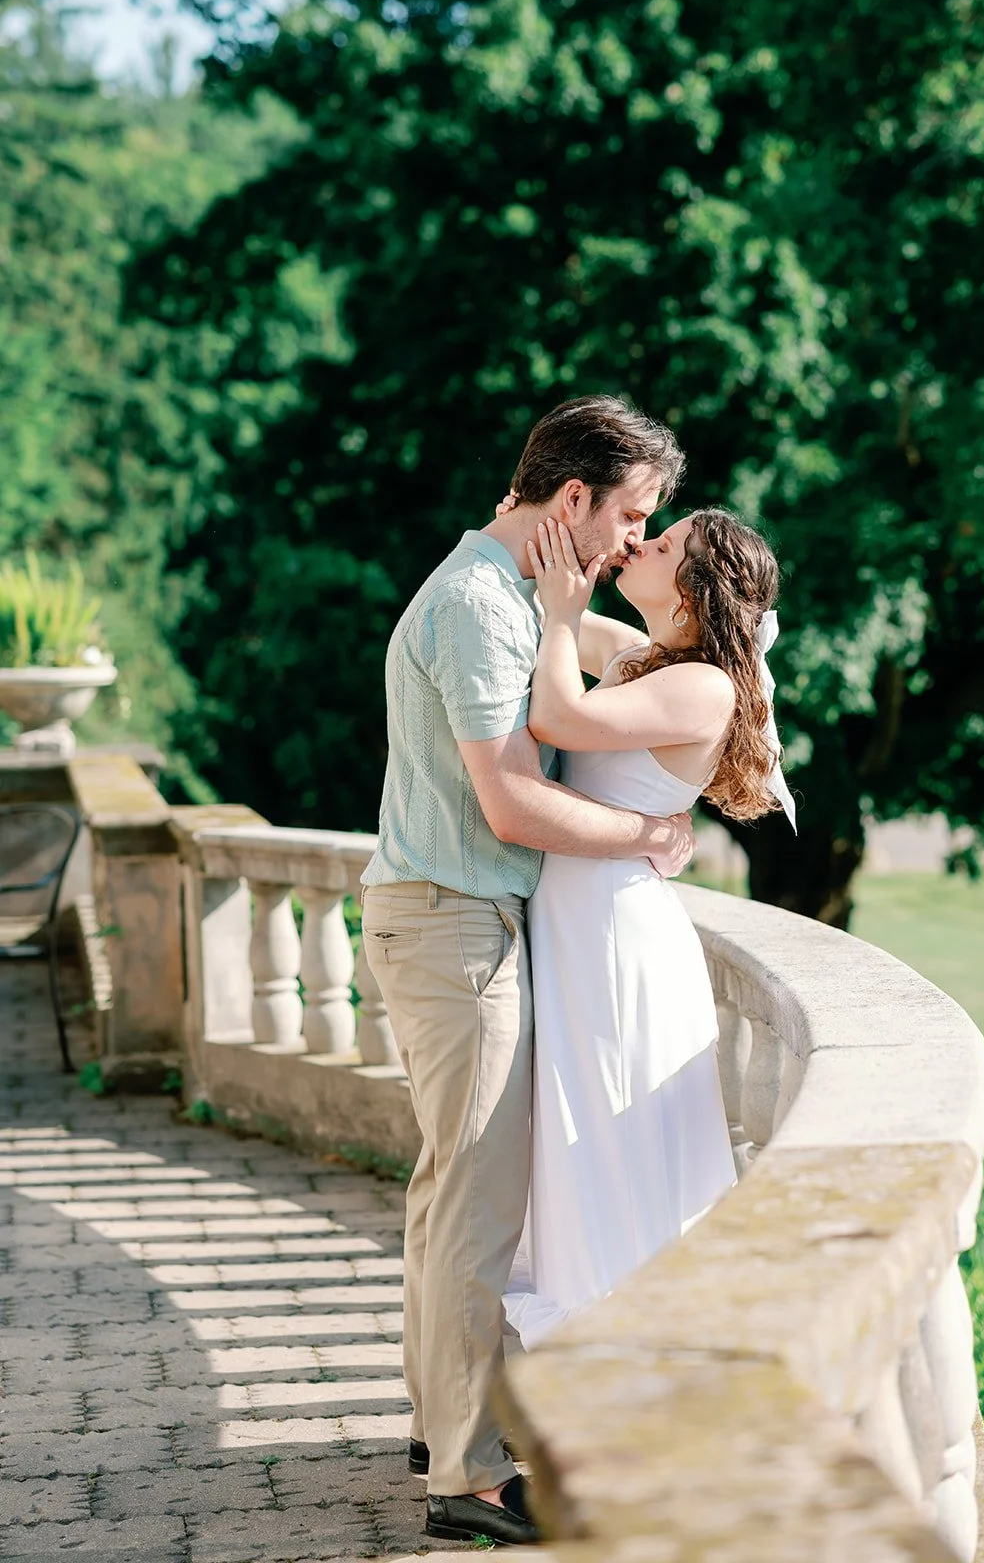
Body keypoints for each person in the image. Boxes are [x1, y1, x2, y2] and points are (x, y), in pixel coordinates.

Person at [358, 397, 696, 1548]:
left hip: (453, 921)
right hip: (454, 927)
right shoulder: (476, 607)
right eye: (630, 516)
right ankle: (467, 1470)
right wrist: (646, 841)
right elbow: (509, 799)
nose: (629, 544)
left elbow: (627, 659)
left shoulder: (504, 594)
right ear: (570, 501)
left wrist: (719, 669)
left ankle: (439, 1420)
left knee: (450, 1190)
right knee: (479, 1205)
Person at [503, 506, 794, 1349]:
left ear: (694, 588)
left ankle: (625, 1361)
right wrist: (535, 538)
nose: (643, 541)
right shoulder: (647, 660)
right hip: (579, 916)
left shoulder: (702, 683)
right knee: (579, 1141)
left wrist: (561, 612)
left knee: (607, 1135)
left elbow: (558, 717)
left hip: (612, 936)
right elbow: (560, 619)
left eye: (663, 543)